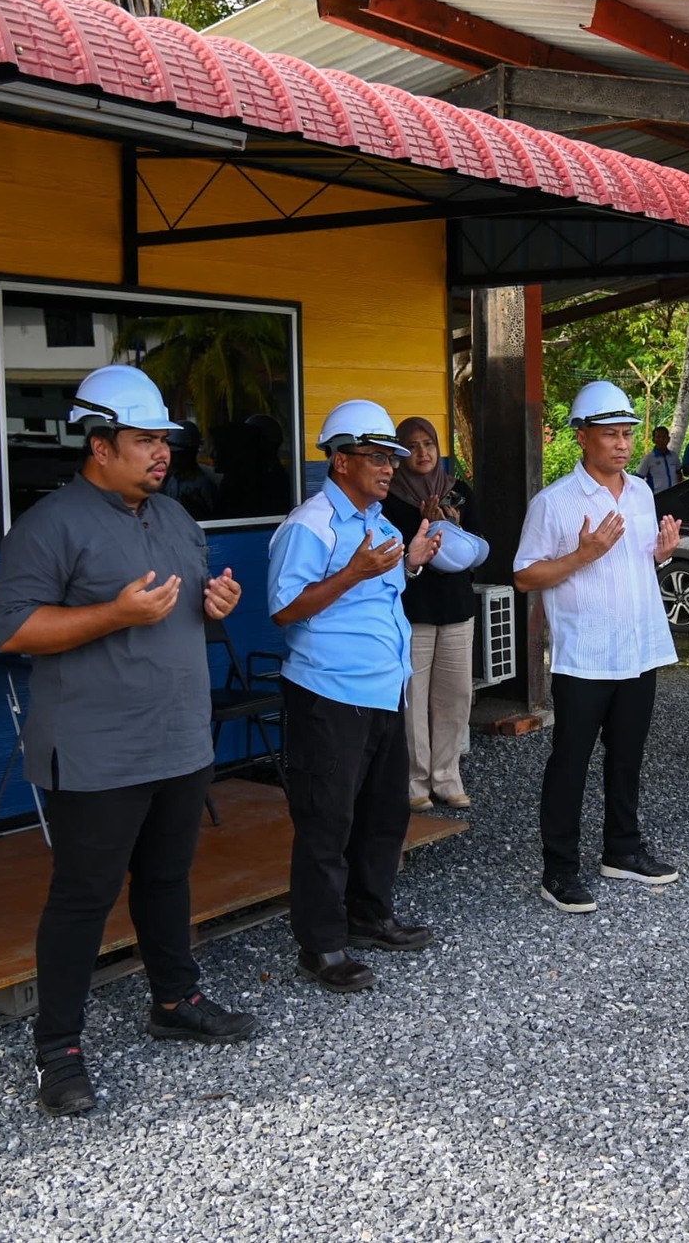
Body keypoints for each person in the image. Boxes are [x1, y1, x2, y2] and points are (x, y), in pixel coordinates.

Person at [0, 364, 259, 1117]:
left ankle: (174, 999)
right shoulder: (49, 524)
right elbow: (11, 629)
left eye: (163, 440)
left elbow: (184, 613)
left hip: (179, 736)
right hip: (95, 747)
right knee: (83, 898)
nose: (162, 453)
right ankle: (57, 1049)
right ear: (99, 445)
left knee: (167, 878)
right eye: (144, 440)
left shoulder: (175, 518)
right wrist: (113, 614)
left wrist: (218, 605)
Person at [268, 400, 443, 993]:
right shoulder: (310, 525)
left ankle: (369, 914)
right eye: (377, 457)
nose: (390, 466)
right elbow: (283, 609)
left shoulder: (382, 523)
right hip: (329, 693)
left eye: (392, 457)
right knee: (327, 821)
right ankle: (321, 945)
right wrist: (352, 573)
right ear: (340, 461)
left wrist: (409, 565)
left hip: (384, 687)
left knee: (384, 812)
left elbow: (379, 596)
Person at [514, 379, 683, 914]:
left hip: (638, 648)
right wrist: (581, 556)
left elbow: (636, 561)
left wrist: (661, 554)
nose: (622, 443)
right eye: (610, 433)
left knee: (628, 757)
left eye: (627, 433)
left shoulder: (641, 493)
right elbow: (524, 576)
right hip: (585, 655)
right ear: (582, 436)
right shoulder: (554, 502)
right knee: (571, 762)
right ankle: (559, 869)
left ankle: (622, 850)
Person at [381, 415, 479, 812]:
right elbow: (392, 555)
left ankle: (447, 776)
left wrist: (453, 529)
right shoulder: (389, 499)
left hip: (456, 607)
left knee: (455, 695)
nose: (423, 453)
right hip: (412, 610)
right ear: (400, 452)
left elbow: (480, 549)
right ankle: (415, 780)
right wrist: (425, 525)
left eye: (429, 444)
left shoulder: (459, 492)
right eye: (413, 446)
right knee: (413, 696)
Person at [159, 421, 221, 521]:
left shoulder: (203, 485)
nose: (174, 458)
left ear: (191, 453)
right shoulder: (171, 480)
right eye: (172, 453)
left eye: (179, 454)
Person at [638, 425, 680, 493]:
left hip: (674, 494)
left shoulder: (673, 456)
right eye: (658, 437)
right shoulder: (648, 458)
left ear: (668, 439)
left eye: (664, 437)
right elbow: (638, 478)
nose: (661, 440)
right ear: (653, 440)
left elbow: (678, 473)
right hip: (656, 496)